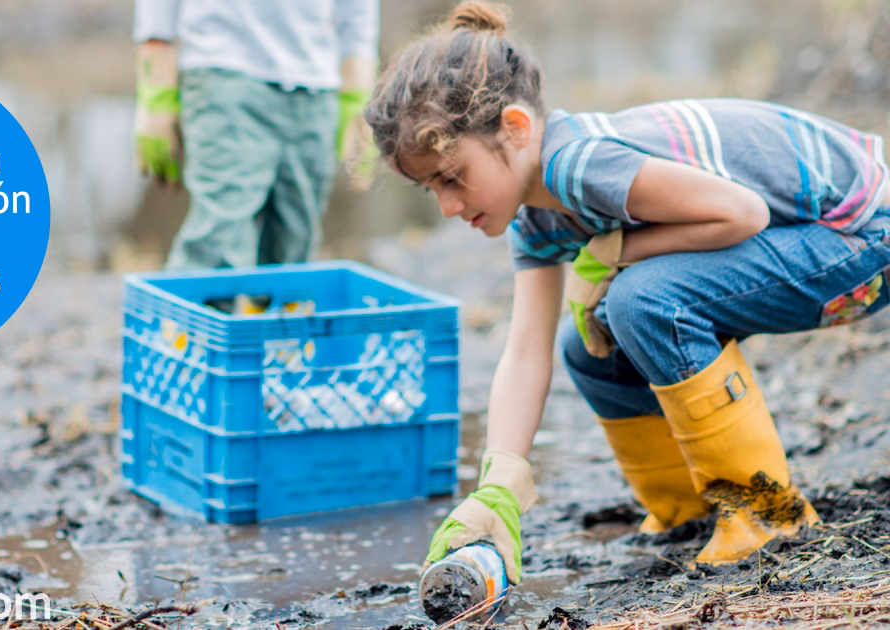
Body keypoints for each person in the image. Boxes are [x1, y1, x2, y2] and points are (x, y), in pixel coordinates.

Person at [364, 0, 890, 586]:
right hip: (807, 244)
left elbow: (743, 213)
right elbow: (526, 353)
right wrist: (499, 485)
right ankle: (684, 509)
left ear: (515, 128)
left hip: (861, 236)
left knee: (640, 299)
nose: (446, 206)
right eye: (430, 188)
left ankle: (766, 513)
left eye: (452, 176)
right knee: (585, 344)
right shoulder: (534, 219)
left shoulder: (580, 163)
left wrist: (610, 254)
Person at [132, 0, 380, 270]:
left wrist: (359, 84)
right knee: (220, 240)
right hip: (225, 68)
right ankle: (194, 299)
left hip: (316, 84)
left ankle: (275, 300)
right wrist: (155, 80)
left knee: (294, 247)